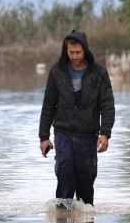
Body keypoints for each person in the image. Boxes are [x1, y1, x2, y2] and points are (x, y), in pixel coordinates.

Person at [39, 29, 115, 207]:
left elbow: (107, 105)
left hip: (88, 134)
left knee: (85, 179)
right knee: (64, 169)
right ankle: (63, 222)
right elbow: (48, 105)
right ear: (66, 51)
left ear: (85, 50)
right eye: (71, 52)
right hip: (63, 132)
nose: (74, 56)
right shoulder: (57, 71)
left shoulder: (99, 73)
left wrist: (105, 133)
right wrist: (44, 137)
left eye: (78, 52)